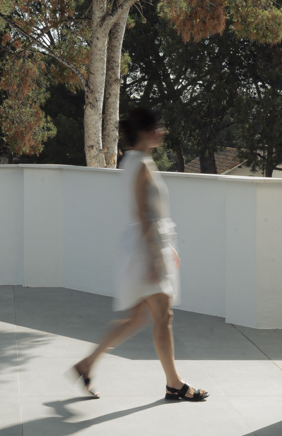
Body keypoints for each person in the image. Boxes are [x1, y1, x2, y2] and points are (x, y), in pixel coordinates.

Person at [72, 107, 209, 402]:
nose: (162, 132)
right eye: (158, 128)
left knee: (138, 318)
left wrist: (166, 248)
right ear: (146, 132)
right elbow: (143, 214)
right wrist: (154, 259)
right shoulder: (141, 164)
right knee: (163, 315)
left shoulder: (133, 161)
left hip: (145, 244)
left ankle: (87, 364)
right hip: (145, 248)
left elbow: (149, 212)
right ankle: (175, 384)